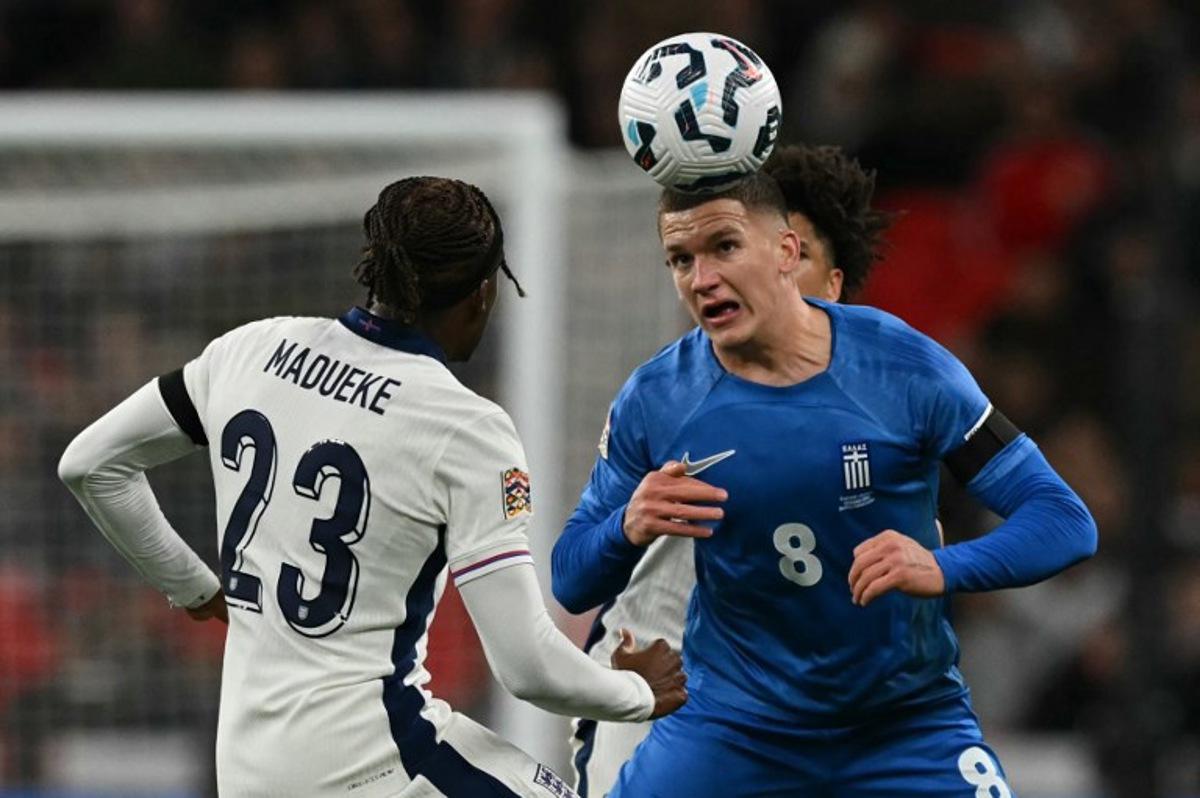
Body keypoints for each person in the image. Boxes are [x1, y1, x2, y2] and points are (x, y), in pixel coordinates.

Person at [59, 176, 687, 798]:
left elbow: (90, 465)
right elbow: (526, 666)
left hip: (246, 769)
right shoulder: (463, 426)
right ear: (484, 292)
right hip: (379, 761)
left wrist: (192, 586)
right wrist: (635, 692)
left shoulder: (250, 350)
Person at [551, 169, 1098, 797]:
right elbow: (571, 576)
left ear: (787, 252)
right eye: (680, 260)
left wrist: (945, 567)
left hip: (903, 728)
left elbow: (1063, 520)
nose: (701, 280)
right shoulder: (657, 398)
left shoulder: (904, 368)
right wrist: (626, 525)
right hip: (733, 730)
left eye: (724, 248)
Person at [559, 143, 895, 796]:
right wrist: (627, 525)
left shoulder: (890, 423)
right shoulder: (670, 397)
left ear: (831, 286)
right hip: (658, 693)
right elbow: (572, 576)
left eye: (790, 257)